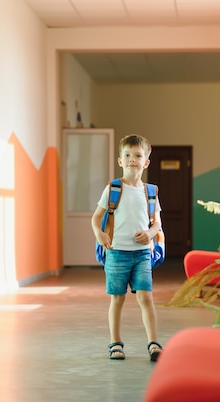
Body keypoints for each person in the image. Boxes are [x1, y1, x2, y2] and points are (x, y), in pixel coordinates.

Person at [91, 134, 164, 362]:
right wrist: (100, 233)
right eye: (128, 155)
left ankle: (153, 343)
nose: (133, 159)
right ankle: (115, 343)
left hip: (142, 254)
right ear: (120, 161)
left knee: (146, 297)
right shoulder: (112, 188)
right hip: (116, 253)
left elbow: (157, 222)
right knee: (118, 299)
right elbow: (96, 218)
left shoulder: (150, 192)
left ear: (146, 162)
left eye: (138, 155)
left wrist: (150, 234)